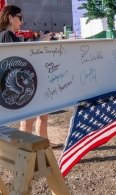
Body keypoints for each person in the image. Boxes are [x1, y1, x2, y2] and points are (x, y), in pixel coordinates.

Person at [0, 5, 62, 149]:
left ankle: (43, 143)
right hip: (21, 85)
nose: (21, 22)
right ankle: (25, 149)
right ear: (10, 18)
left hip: (21, 83)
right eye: (20, 18)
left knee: (42, 114)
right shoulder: (7, 35)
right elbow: (21, 58)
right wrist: (40, 41)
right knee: (29, 118)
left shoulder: (5, 35)